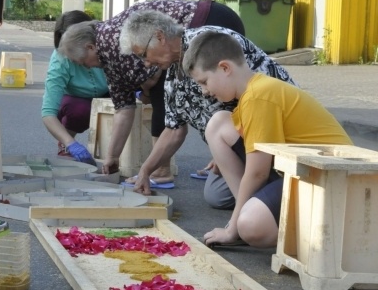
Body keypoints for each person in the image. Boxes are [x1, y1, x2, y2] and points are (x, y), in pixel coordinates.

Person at [182, 31, 351, 248]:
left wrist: (232, 229)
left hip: (330, 181)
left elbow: (258, 172)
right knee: (218, 124)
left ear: (225, 68)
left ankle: (320, 237)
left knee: (251, 225)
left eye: (204, 82)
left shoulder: (257, 97)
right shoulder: (253, 91)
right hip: (304, 169)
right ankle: (249, 214)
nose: (204, 91)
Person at [117, 10, 296, 203]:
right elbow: (173, 130)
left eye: (143, 54)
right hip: (237, 140)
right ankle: (264, 195)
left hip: (274, 133)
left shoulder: (211, 42)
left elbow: (259, 95)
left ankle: (274, 195)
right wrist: (145, 171)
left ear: (160, 37)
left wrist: (226, 144)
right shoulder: (172, 75)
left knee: (250, 203)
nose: (146, 63)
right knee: (216, 196)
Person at [57, 0, 245, 180]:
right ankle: (223, 157)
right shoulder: (108, 54)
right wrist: (112, 158)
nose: (87, 67)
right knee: (182, 93)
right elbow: (124, 108)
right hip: (205, 22)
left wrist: (146, 91)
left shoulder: (108, 42)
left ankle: (167, 169)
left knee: (199, 90)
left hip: (211, 18)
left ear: (90, 47)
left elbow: (153, 76)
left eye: (83, 62)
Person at [42, 11, 108, 165]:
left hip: (108, 92)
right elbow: (48, 112)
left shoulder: (107, 45)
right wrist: (70, 143)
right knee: (78, 110)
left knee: (125, 106)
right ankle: (66, 142)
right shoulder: (60, 59)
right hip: (78, 100)